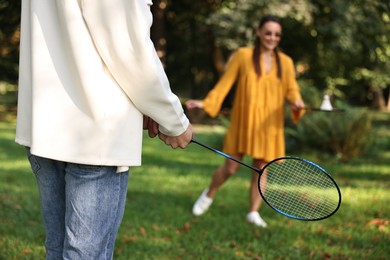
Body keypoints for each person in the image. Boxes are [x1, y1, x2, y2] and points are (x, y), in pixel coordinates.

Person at [15, 0, 194, 259]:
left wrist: (145, 109)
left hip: (45, 126)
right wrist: (175, 122)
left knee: (57, 250)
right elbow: (131, 50)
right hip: (97, 136)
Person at [186, 15, 305, 228]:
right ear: (259, 32)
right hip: (244, 122)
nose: (272, 37)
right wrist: (207, 103)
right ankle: (209, 193)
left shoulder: (285, 62)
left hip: (269, 125)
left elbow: (292, 89)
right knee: (230, 168)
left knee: (261, 169)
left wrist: (297, 102)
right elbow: (225, 84)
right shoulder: (243, 55)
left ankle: (253, 212)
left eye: (277, 34)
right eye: (268, 32)